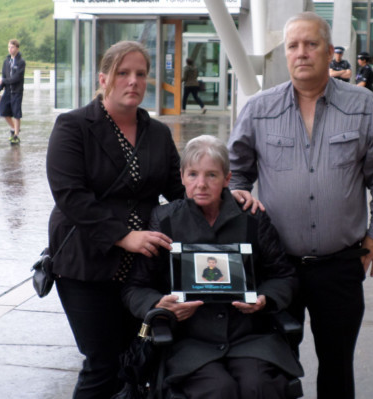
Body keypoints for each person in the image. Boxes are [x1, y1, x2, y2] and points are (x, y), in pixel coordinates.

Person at [46, 41, 261, 398]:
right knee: (103, 364)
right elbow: (70, 196)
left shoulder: (156, 133)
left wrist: (227, 197)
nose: (133, 81)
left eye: (140, 74)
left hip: (141, 270)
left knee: (138, 361)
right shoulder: (73, 127)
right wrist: (123, 236)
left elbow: (181, 191)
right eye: (123, 73)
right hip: (86, 265)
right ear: (103, 79)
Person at [228, 12, 373, 399]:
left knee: (337, 366)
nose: (301, 53)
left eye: (311, 44)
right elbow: (235, 172)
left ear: (329, 53)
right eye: (293, 46)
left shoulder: (363, 106)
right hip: (276, 268)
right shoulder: (259, 108)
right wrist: (239, 202)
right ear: (284, 55)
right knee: (273, 365)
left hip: (339, 265)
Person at [123, 135, 303, 399]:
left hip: (249, 337)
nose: (201, 184)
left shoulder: (251, 218)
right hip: (190, 341)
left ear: (227, 179)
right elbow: (135, 287)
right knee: (218, 390)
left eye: (212, 175)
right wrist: (158, 304)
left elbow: (284, 275)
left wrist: (265, 299)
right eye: (193, 174)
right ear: (182, 177)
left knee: (258, 386)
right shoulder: (165, 220)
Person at [0, 39, 26, 145]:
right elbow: (4, 76)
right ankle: (14, 128)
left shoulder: (21, 62)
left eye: (12, 47)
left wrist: (4, 80)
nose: (10, 49)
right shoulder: (6, 61)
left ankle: (16, 135)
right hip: (8, 91)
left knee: (17, 113)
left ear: (17, 48)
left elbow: (16, 78)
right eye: (9, 47)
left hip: (17, 91)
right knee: (3, 111)